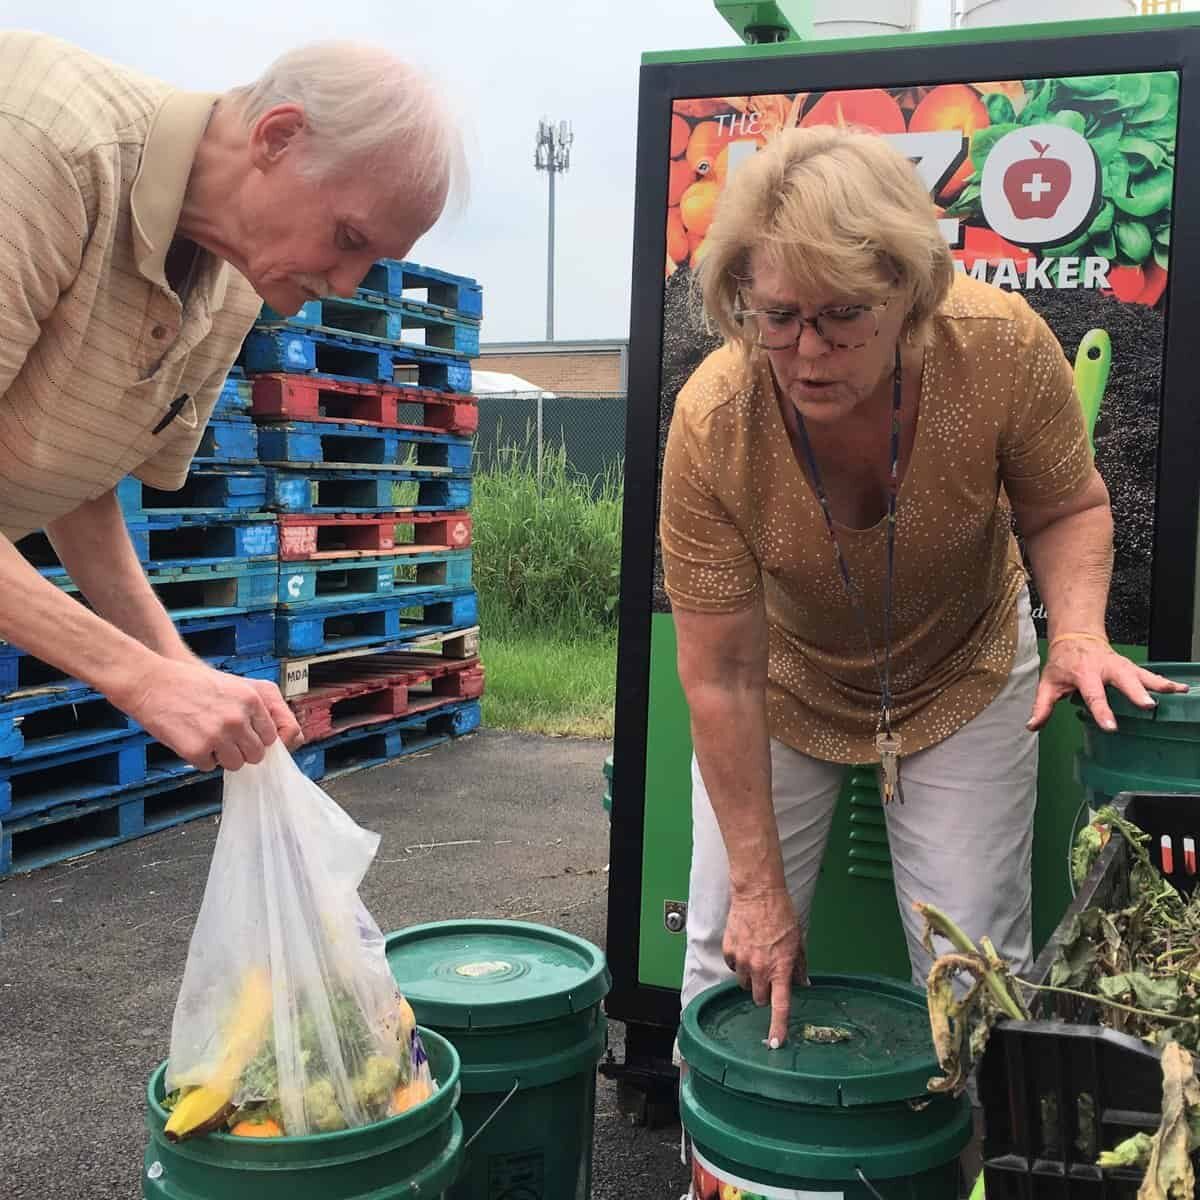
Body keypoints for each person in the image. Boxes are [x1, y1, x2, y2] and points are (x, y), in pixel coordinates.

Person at [659, 125, 1184, 1049]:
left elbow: (1066, 507)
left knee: (980, 971)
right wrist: (759, 890)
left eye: (840, 315)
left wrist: (1078, 633)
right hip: (784, 683)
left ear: (907, 289)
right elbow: (722, 677)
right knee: (726, 951)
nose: (808, 351)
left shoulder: (999, 349)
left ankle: (972, 1166)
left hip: (966, 668)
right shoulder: (714, 420)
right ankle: (722, 1181)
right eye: (777, 316)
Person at [0, 32, 466, 771]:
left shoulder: (232, 287)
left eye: (374, 261)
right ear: (277, 137)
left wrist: (179, 671)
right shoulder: (42, 151)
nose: (347, 283)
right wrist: (138, 677)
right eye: (347, 237)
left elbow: (78, 485)